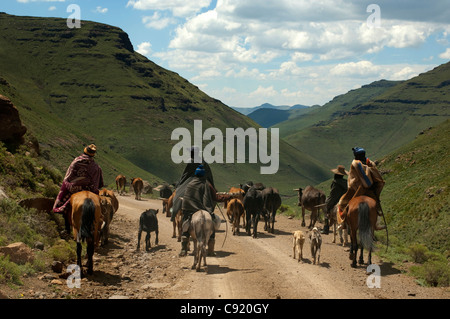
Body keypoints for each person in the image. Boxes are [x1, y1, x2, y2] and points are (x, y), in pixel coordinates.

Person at [179, 164, 229, 257]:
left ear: (195, 174)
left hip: (189, 210)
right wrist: (227, 197)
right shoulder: (207, 185)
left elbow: (187, 197)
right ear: (204, 175)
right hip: (204, 209)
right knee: (212, 227)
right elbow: (216, 197)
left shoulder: (190, 184)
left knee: (185, 226)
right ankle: (210, 250)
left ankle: (183, 249)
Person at [53, 144, 104, 232]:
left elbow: (68, 177)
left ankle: (63, 217)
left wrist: (70, 184)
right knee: (98, 202)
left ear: (84, 151)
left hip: (74, 188)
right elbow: (99, 183)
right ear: (93, 155)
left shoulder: (76, 161)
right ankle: (99, 219)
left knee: (64, 193)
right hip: (90, 189)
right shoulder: (96, 166)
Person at [337, 147, 385, 220]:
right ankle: (378, 212)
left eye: (356, 155)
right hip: (372, 187)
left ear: (357, 156)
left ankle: (344, 219)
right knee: (376, 200)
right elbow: (376, 174)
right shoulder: (370, 162)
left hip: (357, 188)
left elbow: (362, 178)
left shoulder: (355, 163)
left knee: (342, 203)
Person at [322, 165, 348, 235]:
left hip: (336, 199)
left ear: (336, 174)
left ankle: (326, 227)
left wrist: (328, 200)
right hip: (345, 199)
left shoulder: (335, 182)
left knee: (326, 208)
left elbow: (333, 193)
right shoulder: (346, 182)